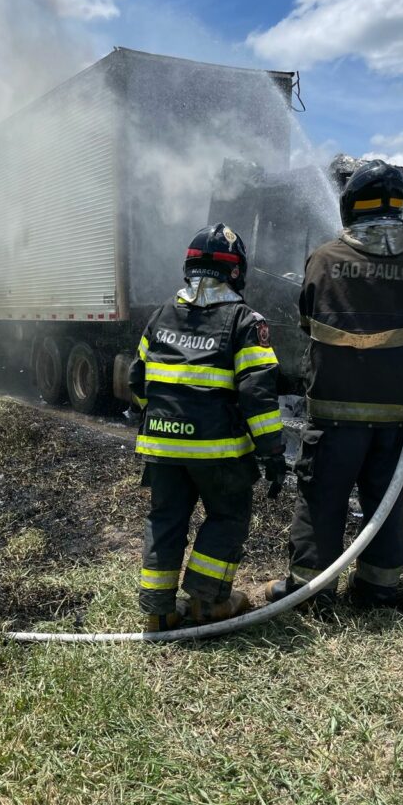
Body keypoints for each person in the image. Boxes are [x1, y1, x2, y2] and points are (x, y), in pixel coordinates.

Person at [266, 160, 403, 610]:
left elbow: (306, 319)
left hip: (334, 417)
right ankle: (379, 589)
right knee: (385, 504)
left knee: (321, 501)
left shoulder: (325, 260)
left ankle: (312, 591)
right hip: (395, 422)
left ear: (350, 208)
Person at [129, 223, 287, 632]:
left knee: (165, 519)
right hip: (219, 453)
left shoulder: (161, 313)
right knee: (227, 516)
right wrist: (272, 452)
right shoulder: (244, 321)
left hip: (162, 449)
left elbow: (136, 380)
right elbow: (257, 395)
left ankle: (159, 611)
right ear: (237, 271)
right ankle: (206, 603)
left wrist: (162, 420)